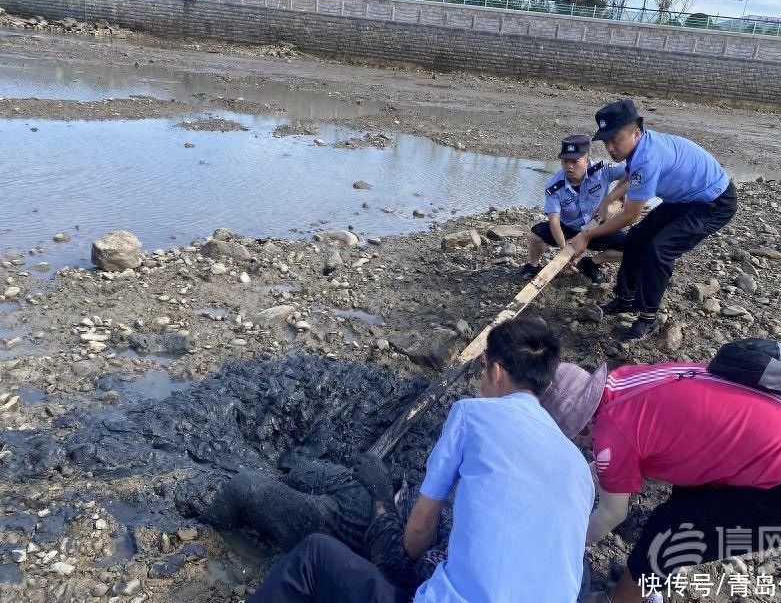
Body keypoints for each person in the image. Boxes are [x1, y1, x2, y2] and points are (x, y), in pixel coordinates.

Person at [248, 317, 596, 602]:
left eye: (483, 372)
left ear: (498, 372)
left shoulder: (471, 414)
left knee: (313, 556)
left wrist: (384, 506)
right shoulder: (581, 469)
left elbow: (417, 532)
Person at [539, 338, 781, 603]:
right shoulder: (625, 380)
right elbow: (624, 452)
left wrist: (564, 543)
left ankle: (621, 599)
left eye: (576, 435)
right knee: (686, 504)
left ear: (583, 425)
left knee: (670, 535)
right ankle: (645, 579)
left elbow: (612, 514)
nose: (582, 443)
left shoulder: (611, 434)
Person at [568, 100, 738, 339]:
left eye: (615, 140)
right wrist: (608, 200)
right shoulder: (640, 146)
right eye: (606, 142)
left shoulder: (647, 159)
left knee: (660, 250)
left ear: (636, 132)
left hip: (714, 202)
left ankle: (648, 317)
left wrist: (586, 236)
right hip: (686, 198)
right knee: (637, 238)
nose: (611, 148)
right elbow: (630, 173)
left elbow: (630, 215)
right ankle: (626, 299)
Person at [522, 135, 629, 283]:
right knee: (537, 235)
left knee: (632, 246)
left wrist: (620, 192)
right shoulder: (554, 186)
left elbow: (633, 171)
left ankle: (591, 263)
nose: (569, 166)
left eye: (575, 161)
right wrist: (565, 251)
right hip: (568, 229)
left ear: (586, 159)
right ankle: (532, 265)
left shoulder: (602, 170)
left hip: (597, 228)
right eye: (565, 161)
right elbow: (554, 221)